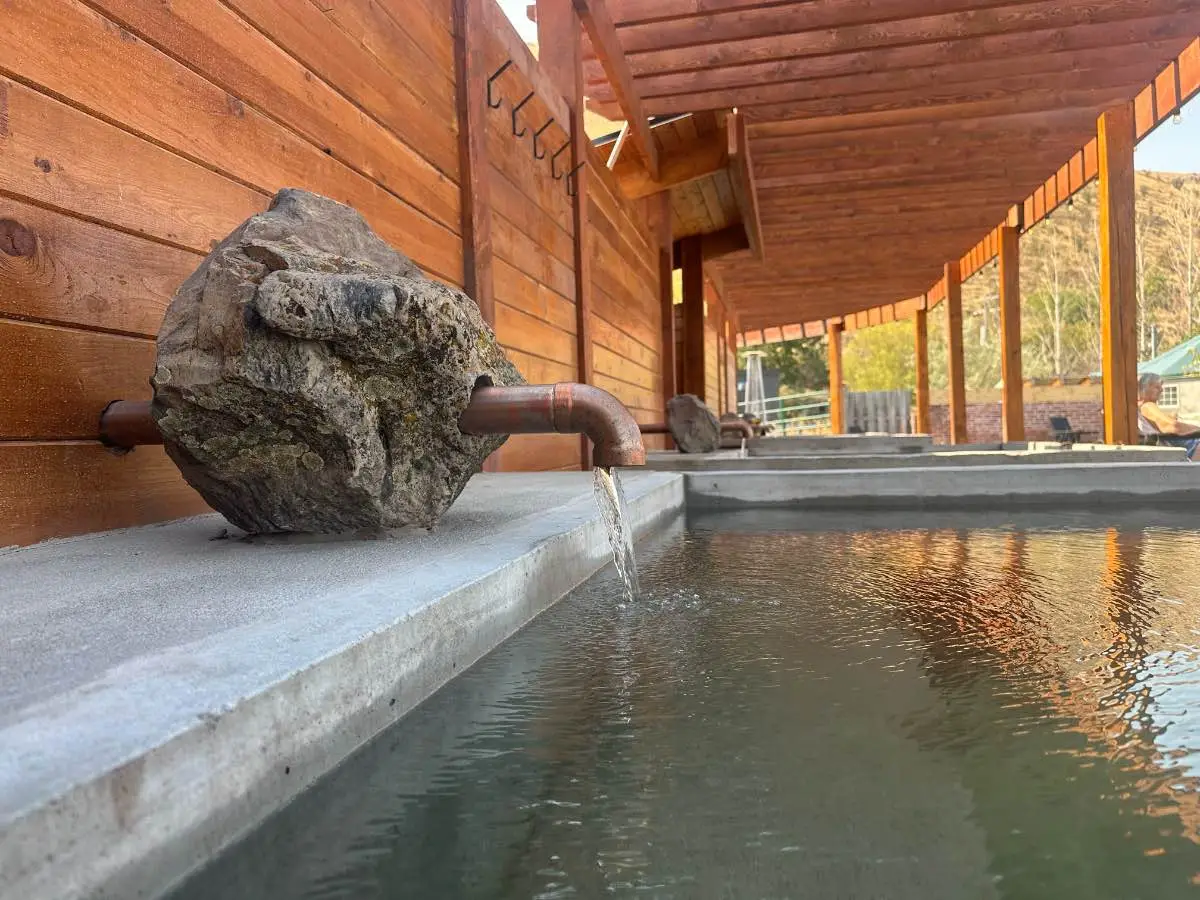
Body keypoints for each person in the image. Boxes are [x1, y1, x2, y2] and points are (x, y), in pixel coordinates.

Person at [1137, 372, 1200, 460]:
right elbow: (1173, 426)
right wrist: (1197, 430)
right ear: (1144, 389)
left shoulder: (1141, 409)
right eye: (1157, 387)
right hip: (1188, 450)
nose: (1161, 390)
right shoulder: (1146, 406)